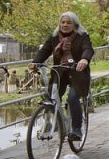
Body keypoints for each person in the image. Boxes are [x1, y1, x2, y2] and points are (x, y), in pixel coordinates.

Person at [32, 12, 93, 140]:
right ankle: (55, 123)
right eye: (63, 22)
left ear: (75, 24)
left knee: (72, 98)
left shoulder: (82, 36)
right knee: (51, 97)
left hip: (78, 72)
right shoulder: (54, 37)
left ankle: (76, 129)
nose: (65, 25)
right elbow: (44, 51)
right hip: (59, 73)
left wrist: (84, 60)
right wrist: (35, 62)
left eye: (68, 22)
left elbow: (88, 49)